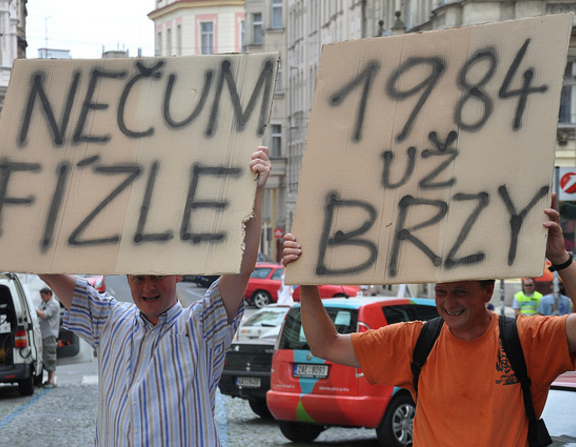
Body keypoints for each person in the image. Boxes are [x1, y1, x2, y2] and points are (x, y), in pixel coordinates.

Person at [281, 193, 576, 447]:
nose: (449, 303)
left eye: (460, 292)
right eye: (441, 292)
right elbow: (325, 345)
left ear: (487, 291)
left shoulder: (527, 338)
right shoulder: (415, 341)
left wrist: (560, 258)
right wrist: (305, 280)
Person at [39, 147, 271, 446]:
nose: (148, 287)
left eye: (157, 276)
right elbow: (46, 269)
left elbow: (241, 268)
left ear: (178, 274)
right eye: (139, 278)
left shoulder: (202, 327)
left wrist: (255, 192)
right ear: (127, 279)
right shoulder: (109, 320)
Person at [35, 287, 60, 388]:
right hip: (43, 334)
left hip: (50, 333)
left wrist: (35, 310)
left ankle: (52, 380)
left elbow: (45, 315)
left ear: (49, 294)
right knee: (45, 357)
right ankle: (48, 379)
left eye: (43, 296)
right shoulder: (44, 304)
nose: (42, 298)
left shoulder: (54, 304)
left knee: (50, 356)